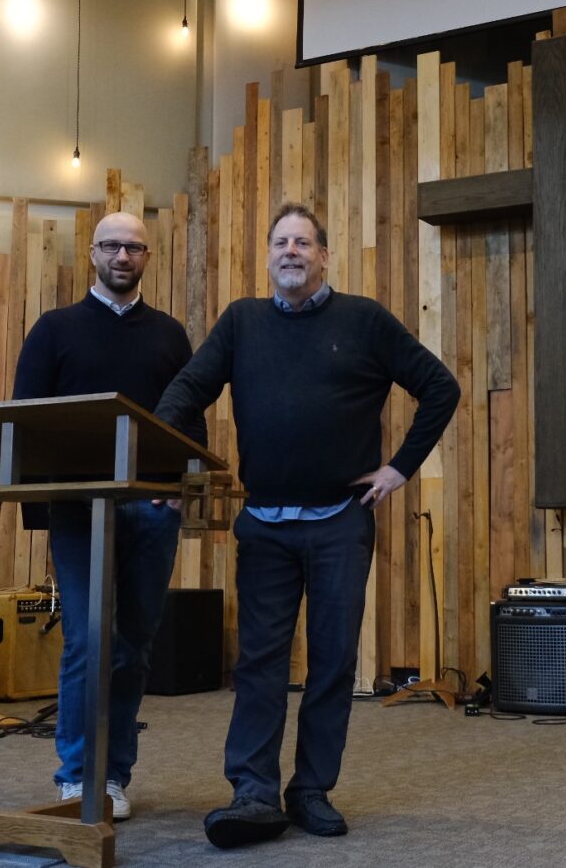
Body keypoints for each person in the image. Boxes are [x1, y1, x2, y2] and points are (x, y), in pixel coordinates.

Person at [154, 202, 460, 848]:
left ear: (324, 257)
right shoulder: (241, 322)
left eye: (304, 243)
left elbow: (440, 387)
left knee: (332, 662)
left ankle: (311, 789)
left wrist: (399, 469)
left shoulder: (365, 321)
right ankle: (254, 793)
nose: (291, 251)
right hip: (263, 526)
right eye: (281, 243)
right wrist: (179, 465)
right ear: (268, 258)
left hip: (338, 527)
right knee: (260, 663)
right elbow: (184, 392)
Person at [13, 211, 205, 820]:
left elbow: (190, 419)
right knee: (88, 638)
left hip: (151, 507)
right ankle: (76, 775)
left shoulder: (170, 334)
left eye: (135, 248)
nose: (124, 256)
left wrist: (181, 488)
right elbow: (26, 418)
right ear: (93, 253)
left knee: (133, 644)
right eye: (113, 246)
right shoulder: (55, 329)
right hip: (77, 508)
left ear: (148, 258)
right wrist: (45, 494)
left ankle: (114, 775)